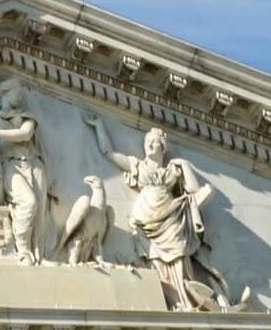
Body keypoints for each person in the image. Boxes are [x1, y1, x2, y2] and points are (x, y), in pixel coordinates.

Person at [89, 116, 243, 311]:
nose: (151, 146)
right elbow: (109, 153)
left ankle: (185, 300)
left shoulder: (173, 171)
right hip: (146, 218)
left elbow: (194, 191)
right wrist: (100, 126)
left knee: (179, 255)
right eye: (148, 142)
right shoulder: (138, 166)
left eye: (155, 142)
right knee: (154, 260)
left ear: (163, 147)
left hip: (171, 218)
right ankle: (170, 300)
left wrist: (185, 166)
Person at [0, 76, 51, 264]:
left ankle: (40, 255)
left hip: (33, 164)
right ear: (4, 93)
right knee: (29, 202)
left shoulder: (27, 116)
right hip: (11, 165)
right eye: (16, 92)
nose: (20, 96)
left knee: (40, 213)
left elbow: (26, 134)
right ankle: (24, 252)